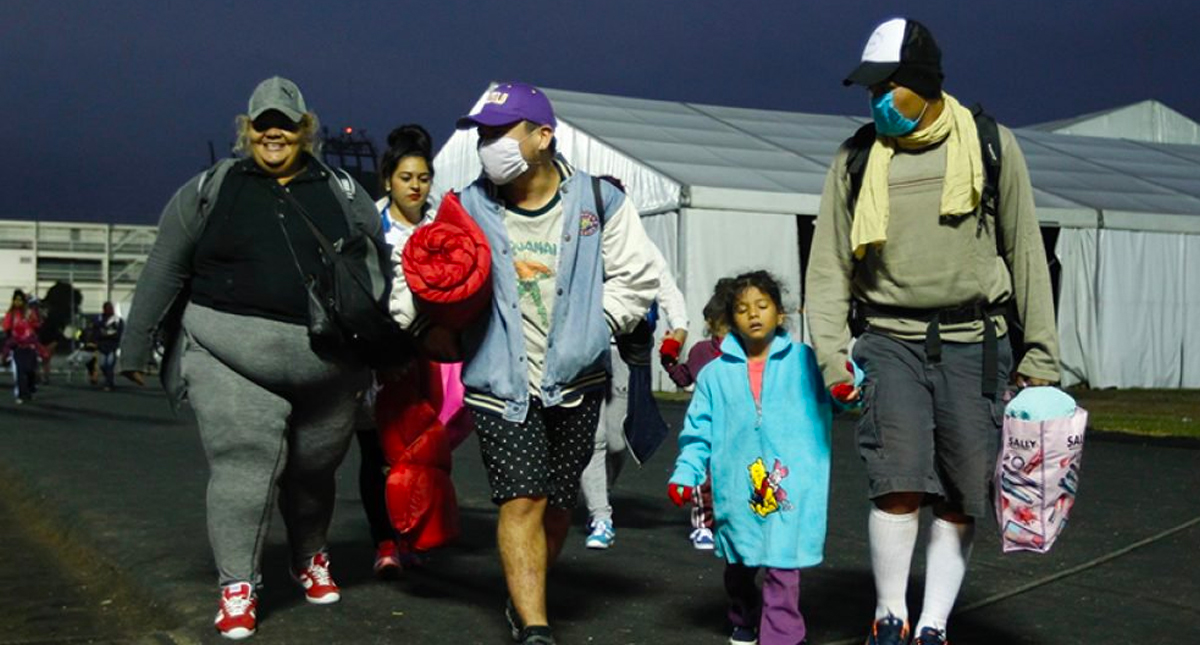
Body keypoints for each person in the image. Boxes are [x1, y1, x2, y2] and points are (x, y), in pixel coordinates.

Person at [806, 18, 1061, 645]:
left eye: (885, 87)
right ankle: (890, 616)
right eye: (870, 91)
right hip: (889, 338)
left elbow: (1025, 249)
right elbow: (829, 265)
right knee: (896, 481)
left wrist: (1041, 356)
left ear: (921, 81)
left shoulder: (990, 145)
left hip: (976, 342)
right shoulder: (855, 159)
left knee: (962, 491)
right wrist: (833, 358)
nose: (876, 101)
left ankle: (933, 625)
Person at [391, 81, 658, 645]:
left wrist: (595, 329)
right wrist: (423, 329)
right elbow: (418, 271)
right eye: (482, 134)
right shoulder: (463, 206)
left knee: (557, 507)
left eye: (499, 132)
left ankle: (522, 598)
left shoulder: (598, 203)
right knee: (522, 500)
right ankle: (536, 626)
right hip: (500, 383)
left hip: (577, 380)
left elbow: (637, 277)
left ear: (542, 136)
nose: (488, 144)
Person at [119, 76, 380, 640]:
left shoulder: (345, 190)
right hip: (229, 355)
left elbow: (376, 264)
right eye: (263, 124)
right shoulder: (209, 189)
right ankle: (237, 585)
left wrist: (380, 346)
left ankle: (308, 556)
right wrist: (134, 345)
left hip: (328, 368)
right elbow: (165, 265)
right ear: (247, 129)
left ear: (305, 129)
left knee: (314, 474)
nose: (273, 133)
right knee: (243, 467)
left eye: (285, 124)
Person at [668, 270, 832, 645]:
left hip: (790, 487)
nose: (753, 314)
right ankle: (743, 612)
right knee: (740, 563)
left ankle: (782, 637)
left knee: (783, 566)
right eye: (742, 309)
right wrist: (685, 474)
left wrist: (851, 382)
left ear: (780, 313)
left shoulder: (806, 362)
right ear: (731, 319)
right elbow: (697, 432)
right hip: (737, 490)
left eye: (762, 305)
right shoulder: (713, 376)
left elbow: (839, 395)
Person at [579, 244, 688, 550]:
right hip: (585, 349)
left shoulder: (638, 244)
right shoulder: (581, 238)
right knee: (595, 437)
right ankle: (600, 515)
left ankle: (600, 493)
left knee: (617, 441)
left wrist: (679, 326)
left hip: (627, 353)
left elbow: (665, 285)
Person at [665, 278, 737, 550]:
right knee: (703, 477)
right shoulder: (701, 352)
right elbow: (684, 378)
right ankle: (703, 525)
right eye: (719, 325)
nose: (722, 332)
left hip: (738, 427)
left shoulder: (747, 354)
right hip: (708, 424)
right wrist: (668, 360)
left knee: (735, 476)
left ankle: (732, 522)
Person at [2, 290, 41, 404]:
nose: (18, 302)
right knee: (19, 371)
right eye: (16, 300)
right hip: (17, 346)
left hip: (30, 346)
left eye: (20, 300)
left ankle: (30, 389)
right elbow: (6, 328)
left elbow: (37, 326)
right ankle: (21, 395)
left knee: (30, 370)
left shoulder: (29, 313)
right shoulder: (11, 314)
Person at [88, 302, 124, 390]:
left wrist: (107, 335)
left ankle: (109, 383)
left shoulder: (117, 320)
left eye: (111, 308)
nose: (110, 310)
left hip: (112, 346)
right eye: (108, 308)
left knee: (109, 364)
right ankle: (108, 379)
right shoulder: (99, 319)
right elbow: (95, 332)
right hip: (101, 346)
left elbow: (118, 333)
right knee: (103, 365)